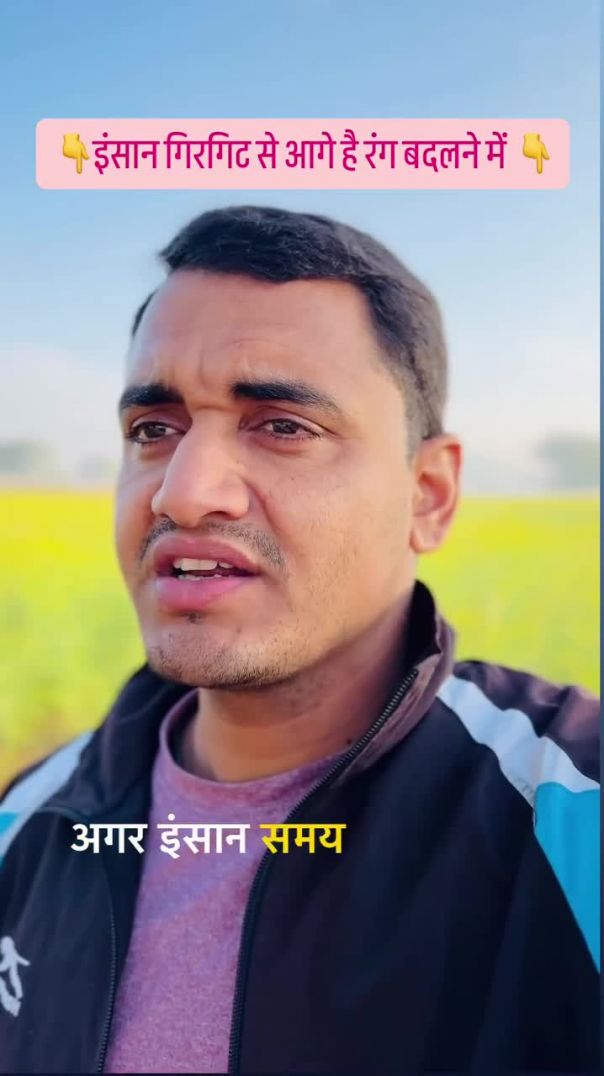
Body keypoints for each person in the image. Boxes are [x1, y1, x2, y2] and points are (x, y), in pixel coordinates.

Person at [0, 206, 599, 1075]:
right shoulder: (30, 821)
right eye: (154, 430)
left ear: (428, 494)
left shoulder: (571, 814)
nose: (183, 493)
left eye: (283, 426)